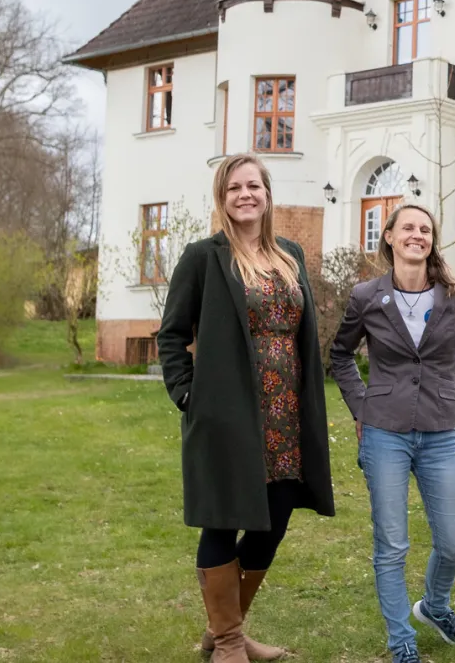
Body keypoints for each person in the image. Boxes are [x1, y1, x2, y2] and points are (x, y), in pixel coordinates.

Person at [156, 153, 334, 663]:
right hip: (226, 414)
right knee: (223, 521)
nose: (245, 195)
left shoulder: (290, 255)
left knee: (273, 521)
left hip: (287, 414)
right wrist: (187, 394)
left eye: (253, 185)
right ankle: (230, 642)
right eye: (234, 188)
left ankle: (223, 630)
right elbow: (171, 334)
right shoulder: (204, 257)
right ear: (222, 197)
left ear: (267, 194)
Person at [330, 203, 455, 663]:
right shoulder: (366, 296)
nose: (418, 235)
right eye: (409, 228)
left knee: (453, 543)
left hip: (440, 432)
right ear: (390, 237)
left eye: (425, 229)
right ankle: (402, 641)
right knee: (392, 544)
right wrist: (362, 407)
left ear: (432, 240)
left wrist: (452, 398)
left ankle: (434, 606)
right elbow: (340, 355)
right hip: (384, 432)